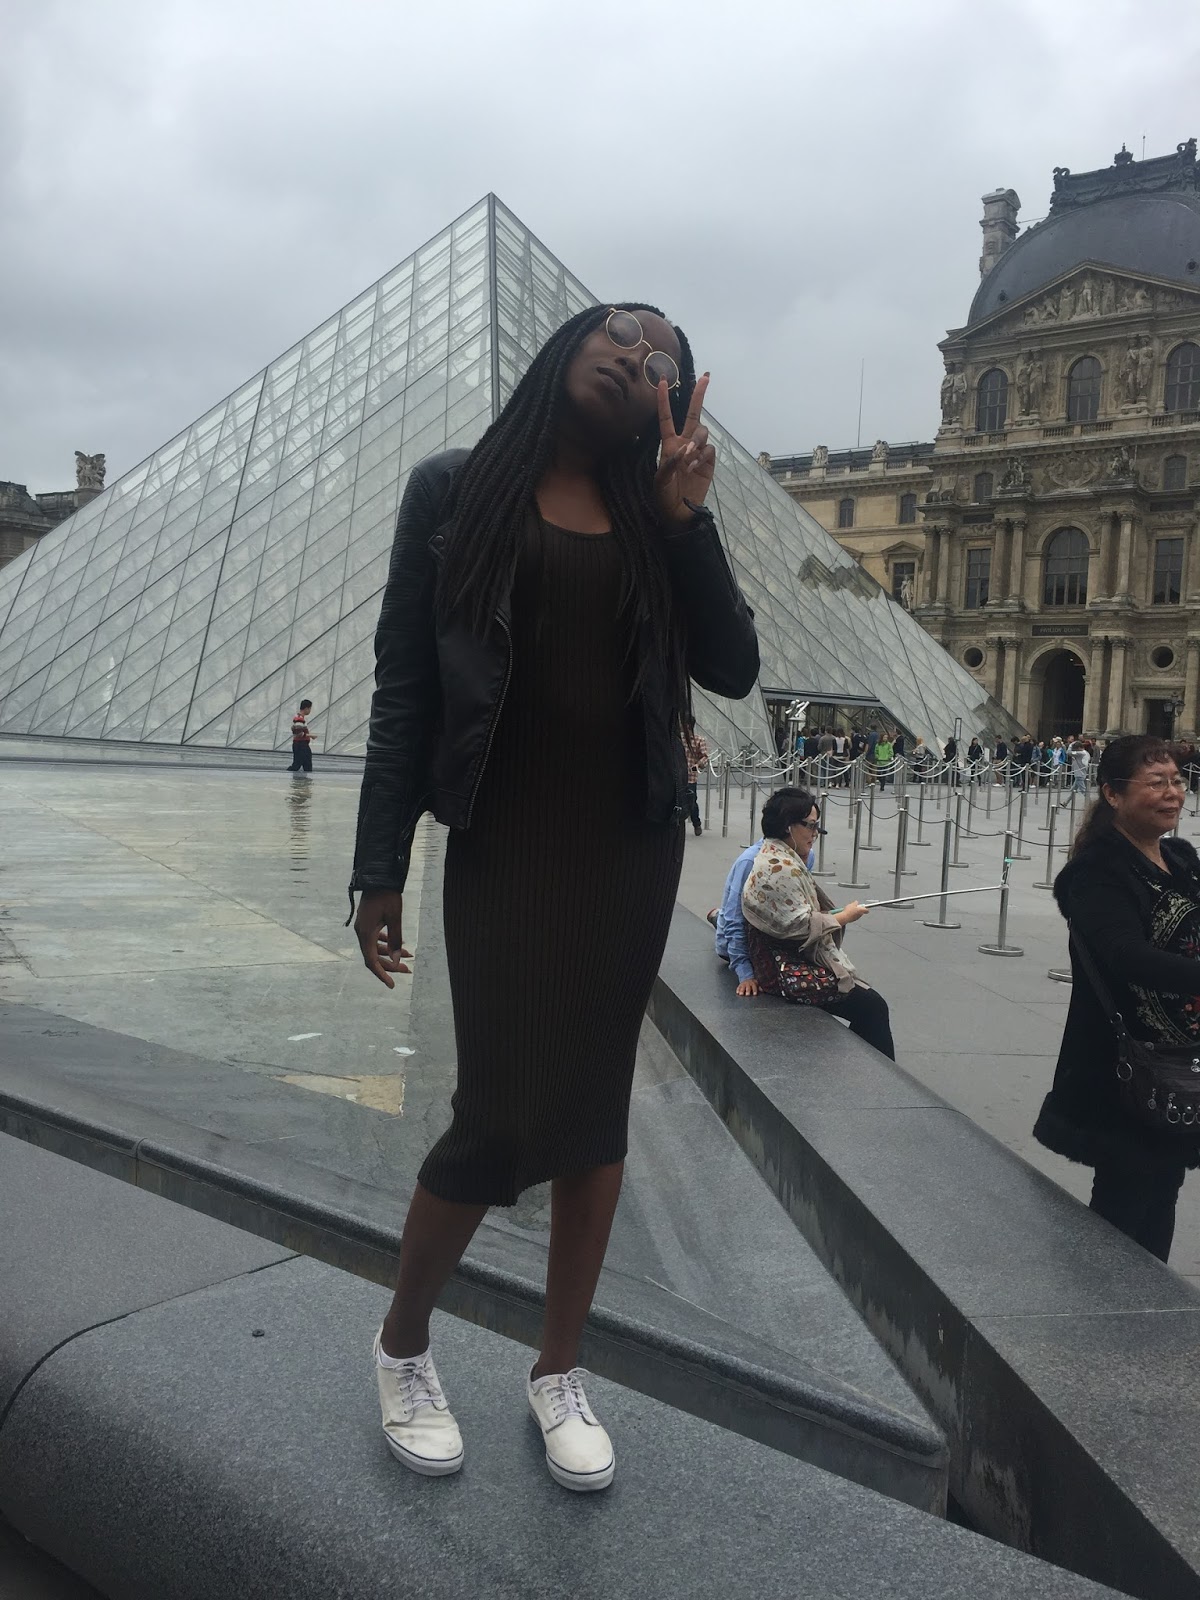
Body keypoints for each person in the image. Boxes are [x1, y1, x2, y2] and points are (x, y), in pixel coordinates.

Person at [349, 302, 757, 1490]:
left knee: (592, 1111)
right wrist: (380, 863)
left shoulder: (654, 512)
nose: (637, 355)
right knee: (497, 1113)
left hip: (628, 841)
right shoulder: (453, 490)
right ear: (568, 342)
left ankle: (558, 1368)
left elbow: (732, 666)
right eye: (622, 332)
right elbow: (404, 688)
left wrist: (686, 520)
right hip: (506, 837)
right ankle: (403, 1345)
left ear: (664, 403)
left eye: (662, 358)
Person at [1034, 736, 1200, 1260]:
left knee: (1163, 1189)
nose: (1173, 793)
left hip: (1179, 1060)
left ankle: (1143, 1300)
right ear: (1112, 793)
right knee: (1125, 1202)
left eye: (1177, 781)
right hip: (1123, 1066)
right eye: (1156, 783)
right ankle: (1104, 1302)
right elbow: (1126, 956)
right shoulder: (1096, 872)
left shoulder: (1179, 857)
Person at [740, 788, 895, 1058]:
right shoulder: (780, 867)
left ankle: (869, 1070)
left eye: (817, 826)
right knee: (872, 1006)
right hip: (784, 970)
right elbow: (799, 925)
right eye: (810, 825)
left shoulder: (776, 855)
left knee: (869, 1006)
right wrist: (844, 916)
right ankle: (881, 1076)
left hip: (781, 961)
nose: (815, 833)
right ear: (788, 826)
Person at [682, 717, 709, 838]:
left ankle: (696, 823)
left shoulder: (699, 740)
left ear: (689, 726)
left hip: (691, 776)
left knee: (691, 801)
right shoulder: (678, 739)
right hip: (678, 775)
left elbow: (705, 757)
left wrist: (697, 765)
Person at [287, 699, 314, 772]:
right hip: (301, 745)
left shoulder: (298, 718)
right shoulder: (299, 719)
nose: (310, 711)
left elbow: (294, 729)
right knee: (298, 765)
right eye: (310, 708)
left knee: (302, 764)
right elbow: (299, 733)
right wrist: (310, 735)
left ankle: (304, 778)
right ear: (306, 708)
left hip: (300, 744)